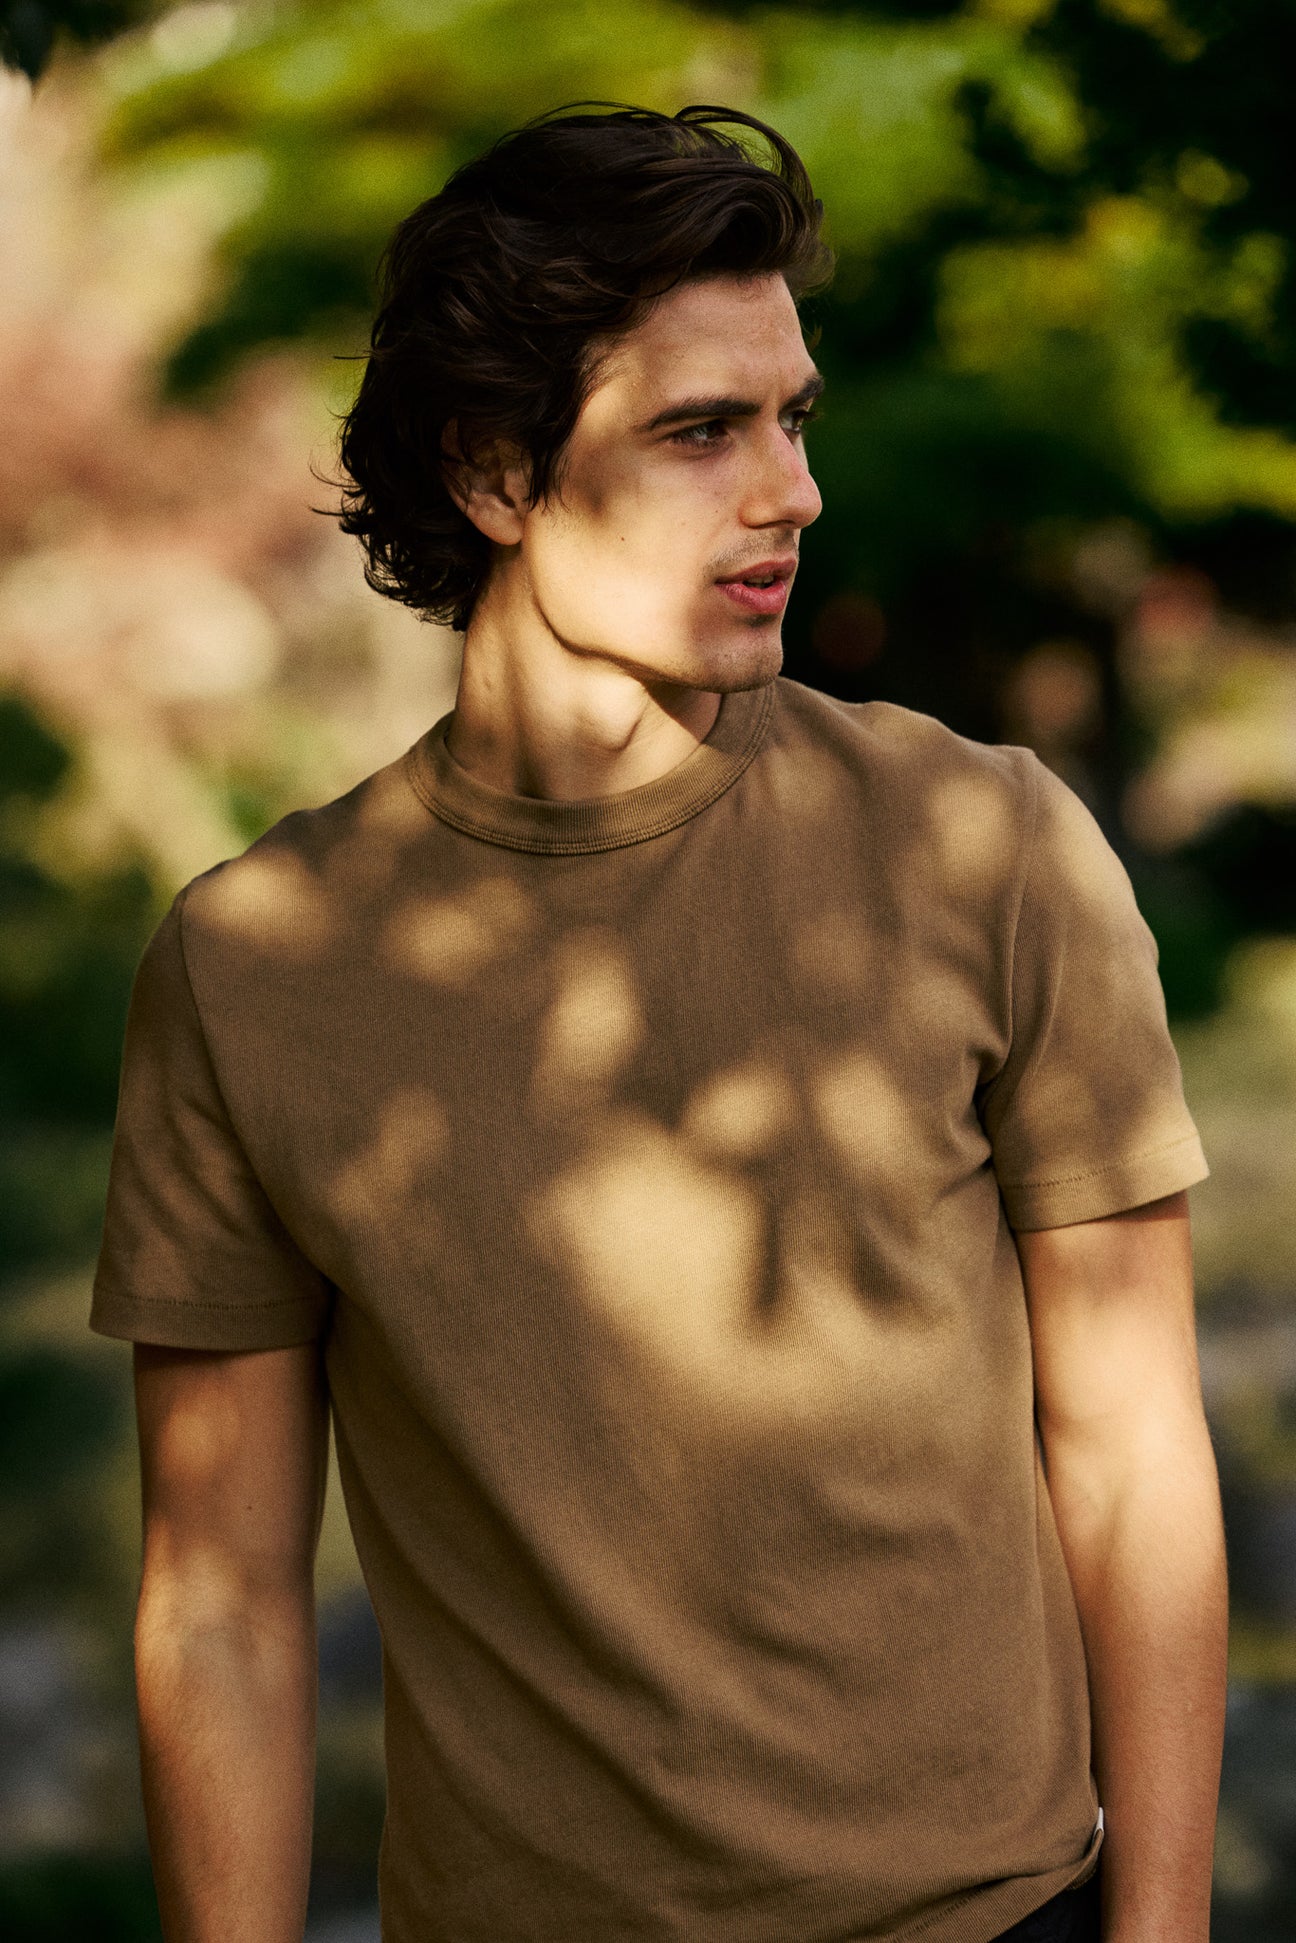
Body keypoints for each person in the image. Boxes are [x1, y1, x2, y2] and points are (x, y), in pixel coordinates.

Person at [91, 105, 1227, 1943]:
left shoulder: (985, 845)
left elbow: (1134, 1452)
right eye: (702, 431)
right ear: (494, 474)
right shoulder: (254, 968)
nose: (791, 492)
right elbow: (219, 1595)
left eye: (795, 419)